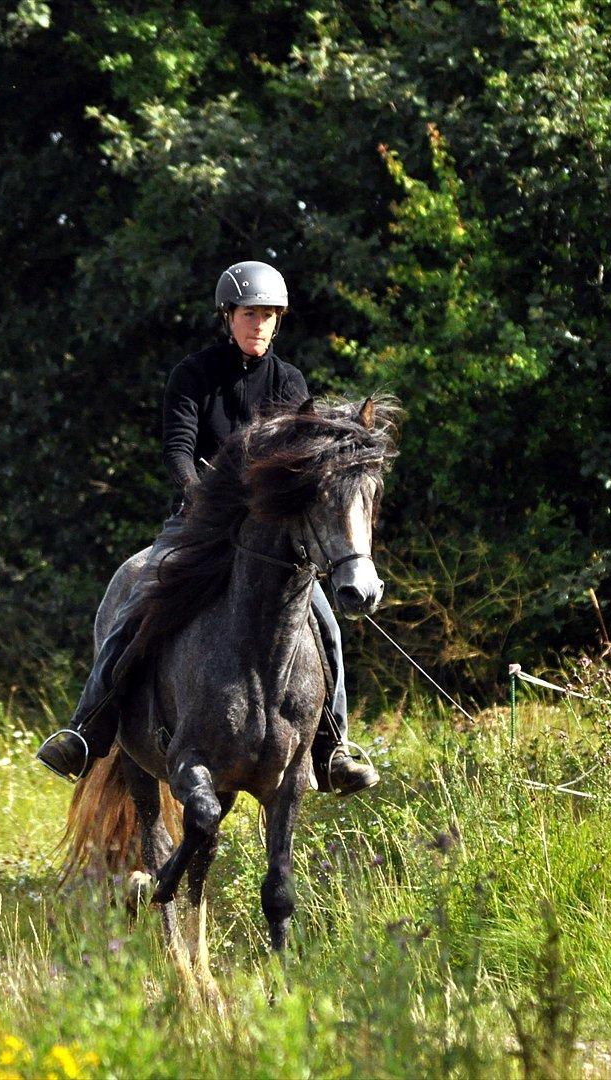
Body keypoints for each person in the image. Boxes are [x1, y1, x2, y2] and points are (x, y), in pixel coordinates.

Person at [36, 260, 379, 796]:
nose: (259, 325)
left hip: (267, 535)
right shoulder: (193, 375)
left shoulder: (290, 382)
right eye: (250, 314)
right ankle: (86, 730)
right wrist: (207, 500)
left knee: (325, 622)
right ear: (228, 317)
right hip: (198, 522)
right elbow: (178, 450)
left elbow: (293, 465)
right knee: (139, 599)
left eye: (268, 316)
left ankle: (332, 747)